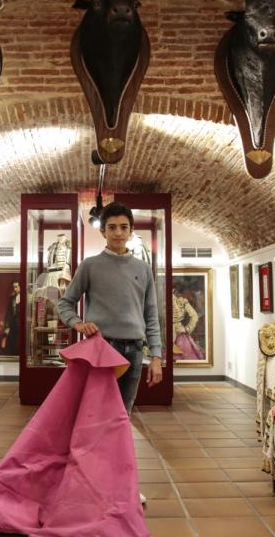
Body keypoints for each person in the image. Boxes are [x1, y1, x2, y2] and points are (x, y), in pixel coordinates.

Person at [57, 202, 163, 504]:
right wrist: (77, 323)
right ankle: (87, 483)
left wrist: (155, 355)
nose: (118, 232)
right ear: (102, 231)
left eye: (124, 227)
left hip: (133, 354)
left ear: (131, 231)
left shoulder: (143, 269)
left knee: (121, 419)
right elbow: (65, 303)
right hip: (101, 352)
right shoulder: (90, 265)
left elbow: (151, 316)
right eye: (112, 227)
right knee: (93, 419)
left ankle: (122, 485)